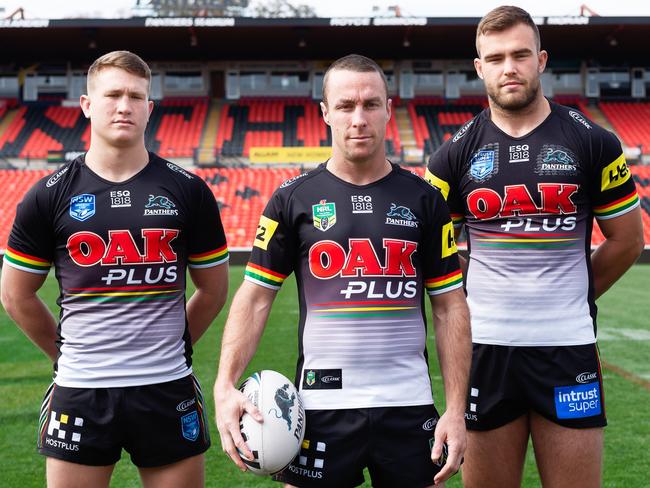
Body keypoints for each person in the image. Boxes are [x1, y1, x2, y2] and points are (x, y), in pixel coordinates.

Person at [214, 54, 472, 488]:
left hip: (408, 406)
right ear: (325, 113)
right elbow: (256, 296)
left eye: (371, 104)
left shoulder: (425, 200)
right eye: (346, 106)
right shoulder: (292, 199)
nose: (359, 118)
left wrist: (455, 409)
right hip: (318, 408)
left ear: (389, 111)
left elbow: (449, 306)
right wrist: (224, 384)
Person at [426, 6, 644, 488]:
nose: (510, 67)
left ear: (541, 59)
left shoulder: (594, 143)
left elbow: (628, 240)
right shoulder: (451, 156)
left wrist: (574, 297)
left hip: (568, 350)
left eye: (521, 54)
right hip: (484, 351)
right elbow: (438, 256)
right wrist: (482, 290)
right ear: (479, 67)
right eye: (497, 57)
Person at [0, 50, 229, 488]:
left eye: (135, 96)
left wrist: (170, 348)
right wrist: (67, 355)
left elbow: (214, 290)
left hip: (167, 387)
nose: (124, 105)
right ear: (87, 105)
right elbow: (15, 294)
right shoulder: (47, 195)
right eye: (112, 95)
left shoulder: (188, 190)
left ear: (150, 108)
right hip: (80, 390)